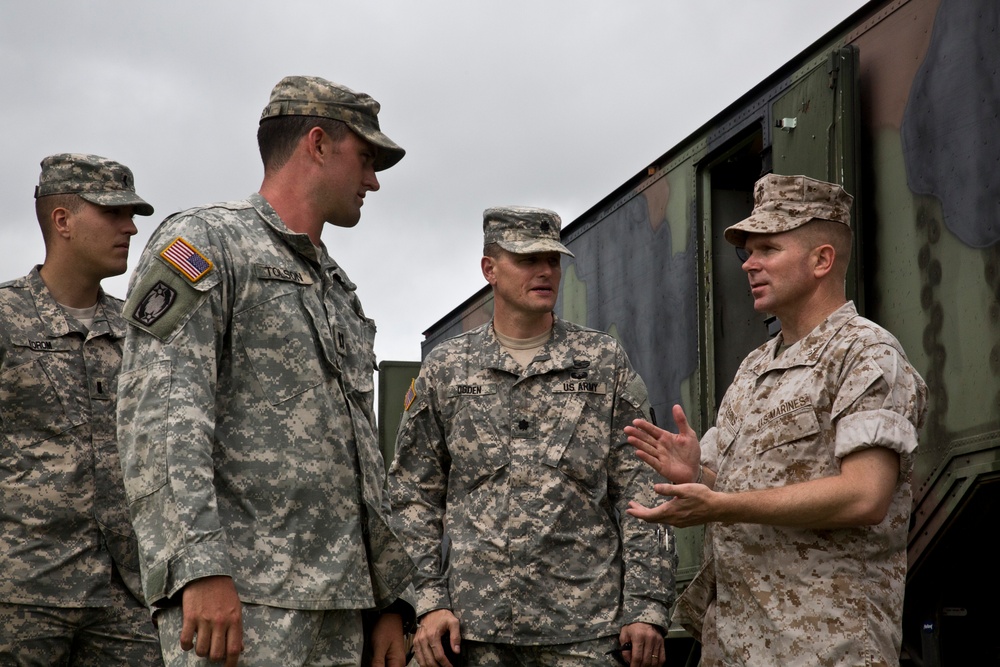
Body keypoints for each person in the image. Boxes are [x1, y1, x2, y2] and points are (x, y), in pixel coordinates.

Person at [117, 75, 415, 667]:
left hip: (337, 607)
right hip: (240, 603)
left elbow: (360, 459)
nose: (374, 180)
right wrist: (198, 567)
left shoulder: (337, 288)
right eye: (366, 158)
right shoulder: (204, 243)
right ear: (318, 143)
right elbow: (162, 413)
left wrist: (388, 600)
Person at [625, 174, 928, 666]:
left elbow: (865, 496)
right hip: (737, 645)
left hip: (826, 648)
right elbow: (738, 487)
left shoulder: (865, 355)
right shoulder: (755, 367)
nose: (749, 263)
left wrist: (720, 504)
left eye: (768, 248)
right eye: (748, 251)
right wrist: (696, 475)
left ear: (821, 260)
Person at [388, 206, 675, 667]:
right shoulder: (448, 368)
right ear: (490, 269)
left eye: (553, 261)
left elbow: (644, 489)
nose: (545, 272)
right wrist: (429, 601)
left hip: (586, 635)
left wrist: (646, 605)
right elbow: (411, 498)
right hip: (476, 633)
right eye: (527, 260)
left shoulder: (601, 363)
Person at [0, 153, 161, 665]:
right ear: (62, 220)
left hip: (127, 597)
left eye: (131, 214)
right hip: (22, 592)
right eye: (112, 213)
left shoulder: (141, 331)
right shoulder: (6, 319)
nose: (131, 228)